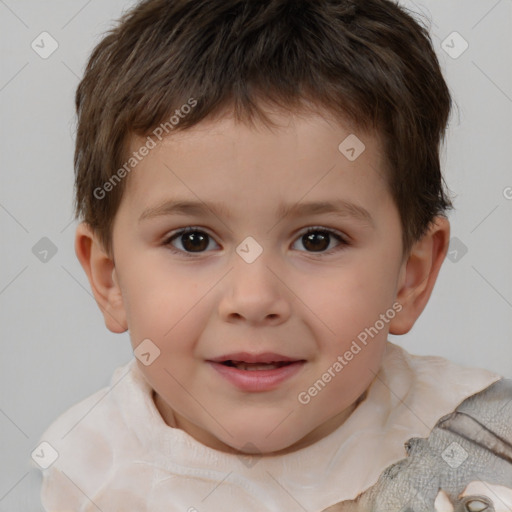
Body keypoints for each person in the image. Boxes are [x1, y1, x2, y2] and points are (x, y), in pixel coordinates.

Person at [34, 0, 512, 510]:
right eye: (193, 240)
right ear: (109, 279)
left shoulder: (480, 442)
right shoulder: (89, 469)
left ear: (408, 278)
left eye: (317, 240)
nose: (254, 299)